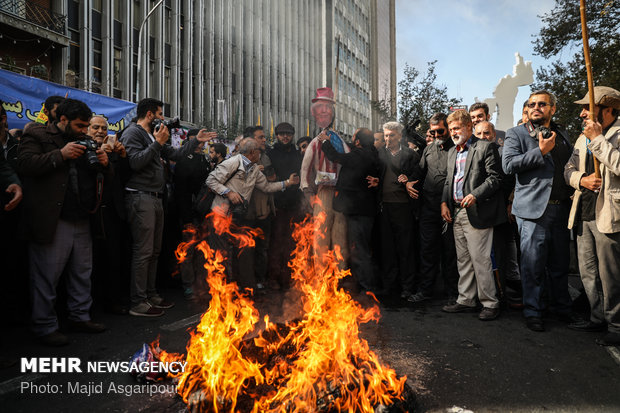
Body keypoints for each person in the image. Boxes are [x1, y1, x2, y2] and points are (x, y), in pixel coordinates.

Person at [18, 98, 108, 346]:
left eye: (86, 126)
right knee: (47, 275)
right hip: (52, 219)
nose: (84, 130)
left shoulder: (86, 141)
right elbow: (24, 165)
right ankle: (44, 326)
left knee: (82, 273)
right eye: (80, 126)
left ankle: (80, 316)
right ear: (63, 120)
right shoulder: (37, 135)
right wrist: (60, 154)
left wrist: (105, 163)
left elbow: (98, 176)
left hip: (82, 217)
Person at [121, 98, 213, 317]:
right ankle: (138, 301)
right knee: (143, 252)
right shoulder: (132, 133)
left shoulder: (153, 136)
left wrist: (194, 142)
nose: (163, 119)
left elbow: (176, 155)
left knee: (154, 251)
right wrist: (157, 144)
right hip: (140, 196)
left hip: (156, 197)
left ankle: (151, 294)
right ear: (150, 114)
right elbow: (135, 162)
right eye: (161, 114)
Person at [503, 90, 574, 332]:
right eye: (532, 104)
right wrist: (540, 151)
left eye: (542, 104)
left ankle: (562, 308)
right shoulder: (517, 134)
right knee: (532, 266)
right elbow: (508, 165)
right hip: (533, 212)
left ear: (552, 108)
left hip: (562, 209)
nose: (536, 108)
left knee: (560, 264)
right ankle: (533, 310)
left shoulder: (562, 133)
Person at [564, 86, 620, 346]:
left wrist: (599, 140)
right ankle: (597, 317)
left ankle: (617, 326)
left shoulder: (616, 133)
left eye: (588, 108)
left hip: (609, 215)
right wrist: (582, 180)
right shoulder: (581, 137)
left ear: (608, 110)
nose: (582, 114)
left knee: (611, 274)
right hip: (583, 213)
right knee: (588, 272)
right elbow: (568, 170)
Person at [206, 137, 299, 288]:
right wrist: (229, 193)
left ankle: (237, 287)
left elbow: (267, 187)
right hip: (221, 215)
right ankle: (220, 289)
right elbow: (211, 180)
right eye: (258, 151)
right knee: (220, 253)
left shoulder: (254, 169)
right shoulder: (233, 162)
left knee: (241, 251)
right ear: (251, 152)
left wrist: (287, 183)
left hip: (238, 216)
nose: (261, 153)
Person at [440, 110, 504, 321]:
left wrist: (475, 195)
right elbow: (449, 181)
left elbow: (495, 179)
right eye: (451, 130)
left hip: (477, 212)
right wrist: (443, 203)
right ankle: (466, 299)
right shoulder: (452, 152)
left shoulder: (485, 146)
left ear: (469, 127)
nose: (453, 133)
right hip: (456, 212)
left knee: (480, 259)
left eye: (457, 128)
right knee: (463, 259)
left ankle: (490, 303)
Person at [318, 128, 380, 293]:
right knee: (362, 248)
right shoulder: (372, 154)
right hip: (365, 210)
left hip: (359, 211)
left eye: (354, 137)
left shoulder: (359, 155)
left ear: (358, 142)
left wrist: (325, 140)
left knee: (360, 250)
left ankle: (367, 287)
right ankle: (365, 283)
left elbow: (336, 157)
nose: (352, 139)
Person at [410, 113, 459, 303]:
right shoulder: (428, 149)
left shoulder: (457, 148)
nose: (437, 135)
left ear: (447, 128)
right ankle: (425, 291)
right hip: (428, 210)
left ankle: (452, 294)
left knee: (450, 253)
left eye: (440, 131)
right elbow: (419, 172)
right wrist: (409, 182)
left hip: (450, 209)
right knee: (427, 251)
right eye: (433, 131)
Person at [87, 116, 132, 315]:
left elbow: (127, 177)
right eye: (95, 127)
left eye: (104, 128)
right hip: (90, 212)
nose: (100, 131)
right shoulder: (82, 148)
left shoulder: (114, 151)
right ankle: (91, 305)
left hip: (114, 212)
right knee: (91, 262)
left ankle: (113, 300)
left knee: (114, 258)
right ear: (87, 129)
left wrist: (121, 156)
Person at [474, 121, 522, 306]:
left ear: (494, 134)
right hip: (479, 213)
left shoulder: (503, 154)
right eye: (479, 134)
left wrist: (510, 203)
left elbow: (512, 181)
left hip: (500, 213)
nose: (483, 137)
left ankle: (504, 297)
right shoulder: (471, 153)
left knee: (502, 257)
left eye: (487, 133)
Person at [300, 87, 350, 263]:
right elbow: (304, 172)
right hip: (323, 194)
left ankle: (339, 275)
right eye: (321, 107)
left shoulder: (341, 142)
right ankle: (321, 278)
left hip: (341, 194)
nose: (324, 111)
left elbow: (348, 163)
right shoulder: (314, 143)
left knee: (340, 236)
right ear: (315, 113)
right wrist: (309, 195)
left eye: (328, 107)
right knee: (320, 237)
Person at [377, 121, 421, 299]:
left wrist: (408, 177)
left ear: (400, 136)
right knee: (387, 249)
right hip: (384, 207)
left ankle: (407, 287)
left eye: (392, 135)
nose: (388, 139)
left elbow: (419, 175)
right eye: (386, 135)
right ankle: (390, 287)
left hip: (404, 208)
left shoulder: (411, 155)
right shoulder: (379, 154)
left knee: (406, 248)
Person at [267, 123, 305, 290]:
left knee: (292, 243)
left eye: (288, 134)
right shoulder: (270, 153)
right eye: (281, 134)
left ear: (292, 135)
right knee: (276, 242)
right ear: (276, 135)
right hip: (277, 204)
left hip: (296, 204)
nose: (285, 137)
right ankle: (274, 278)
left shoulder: (298, 154)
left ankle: (289, 277)